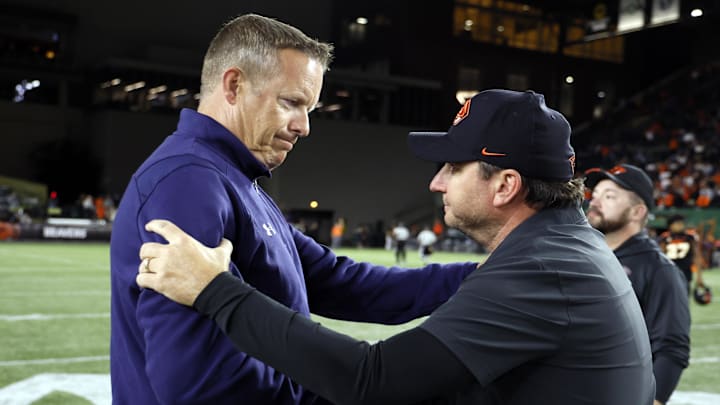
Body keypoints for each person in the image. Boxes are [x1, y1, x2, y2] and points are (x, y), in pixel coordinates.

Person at [137, 89, 656, 404]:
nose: (437, 184)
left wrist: (214, 291)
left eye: (453, 168)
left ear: (506, 185)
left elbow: (370, 381)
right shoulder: (560, 247)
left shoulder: (544, 267)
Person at [109, 14, 476, 405]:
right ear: (234, 85)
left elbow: (342, 283)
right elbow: (200, 385)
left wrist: (483, 276)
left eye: (310, 110)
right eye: (291, 103)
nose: (304, 126)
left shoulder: (233, 178)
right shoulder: (188, 182)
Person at [584, 164, 690, 405]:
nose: (595, 202)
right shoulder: (586, 258)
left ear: (637, 212)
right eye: (596, 195)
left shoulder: (659, 270)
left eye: (609, 197)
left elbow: (672, 349)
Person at [658, 213, 704, 294]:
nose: (681, 225)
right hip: (669, 272)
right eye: (678, 223)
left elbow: (696, 256)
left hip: (685, 272)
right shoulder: (665, 238)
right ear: (670, 225)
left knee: (685, 299)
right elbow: (660, 257)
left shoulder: (690, 237)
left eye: (682, 223)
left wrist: (699, 276)